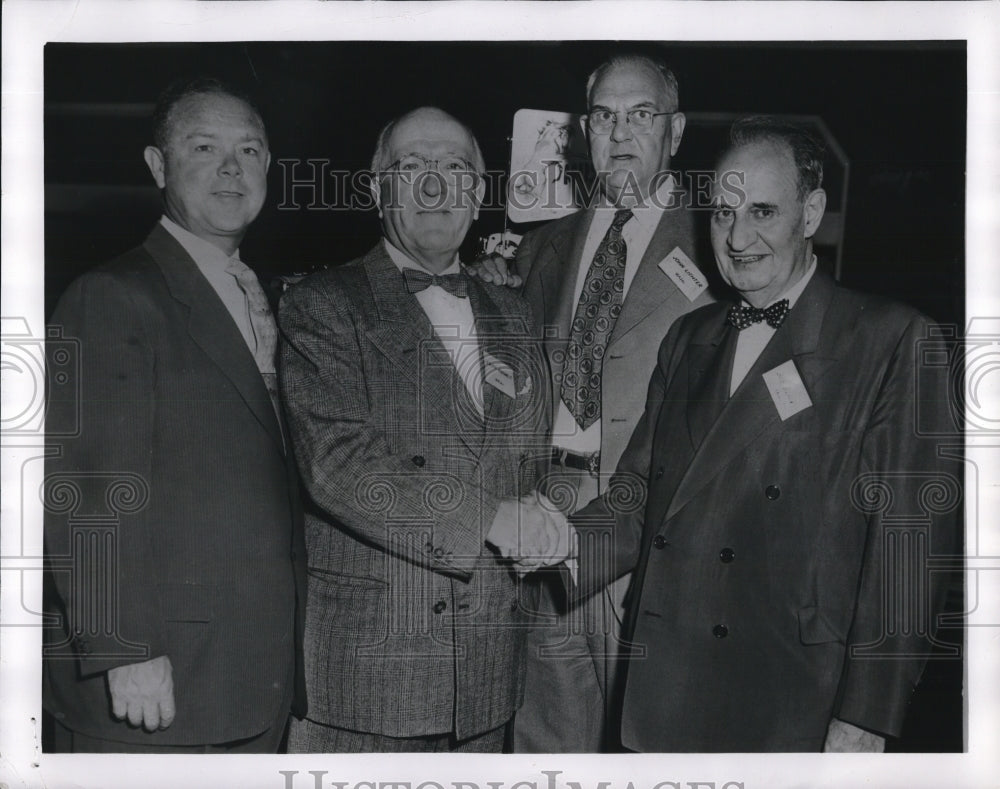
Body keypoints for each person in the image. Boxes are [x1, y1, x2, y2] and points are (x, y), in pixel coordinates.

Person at [567, 116, 959, 751]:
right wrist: (555, 541)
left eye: (763, 212)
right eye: (722, 213)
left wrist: (866, 719)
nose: (738, 237)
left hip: (792, 700)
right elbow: (638, 497)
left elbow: (906, 557)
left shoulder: (890, 340)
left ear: (811, 213)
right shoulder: (688, 338)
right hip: (665, 688)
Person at [279, 106, 565, 753]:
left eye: (455, 167)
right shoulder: (321, 304)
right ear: (378, 190)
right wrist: (492, 518)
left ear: (480, 192)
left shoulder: (516, 314)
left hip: (489, 682)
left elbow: (533, 461)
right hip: (366, 684)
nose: (435, 185)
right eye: (412, 167)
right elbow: (339, 464)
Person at [43, 77, 306, 752]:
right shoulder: (111, 294)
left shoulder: (260, 298)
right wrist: (119, 647)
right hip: (156, 687)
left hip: (252, 678)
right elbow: (87, 487)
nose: (231, 167)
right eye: (203, 146)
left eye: (249, 150)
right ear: (159, 166)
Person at [474, 53, 716, 752]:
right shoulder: (545, 245)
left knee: (653, 744)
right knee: (549, 740)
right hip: (545, 513)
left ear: (675, 130)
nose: (621, 132)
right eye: (605, 116)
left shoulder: (718, 242)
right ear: (584, 130)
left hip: (652, 527)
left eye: (641, 114)